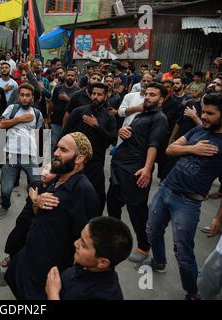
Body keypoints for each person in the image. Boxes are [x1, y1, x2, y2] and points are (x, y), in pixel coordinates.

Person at [145, 92, 222, 300]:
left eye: (210, 113)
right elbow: (170, 149)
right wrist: (194, 149)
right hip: (165, 190)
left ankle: (192, 292)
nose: (203, 116)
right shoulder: (199, 129)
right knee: (152, 231)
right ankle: (159, 262)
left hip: (188, 202)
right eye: (203, 111)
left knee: (183, 251)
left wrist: (218, 217)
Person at [5, 132, 99, 300]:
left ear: (79, 159)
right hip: (28, 257)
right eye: (57, 147)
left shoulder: (83, 191)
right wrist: (36, 203)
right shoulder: (56, 180)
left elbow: (84, 241)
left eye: (63, 150)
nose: (55, 152)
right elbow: (38, 214)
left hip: (45, 275)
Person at [107, 82, 169, 263]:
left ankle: (144, 246)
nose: (148, 97)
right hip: (119, 167)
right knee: (113, 205)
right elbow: (130, 134)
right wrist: (122, 131)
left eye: (153, 95)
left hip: (136, 171)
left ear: (161, 99)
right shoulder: (141, 114)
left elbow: (154, 144)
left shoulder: (159, 118)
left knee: (137, 211)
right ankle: (116, 238)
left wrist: (148, 169)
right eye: (147, 94)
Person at [61, 83, 117, 215]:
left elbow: (112, 139)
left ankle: (93, 224)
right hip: (75, 160)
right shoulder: (79, 112)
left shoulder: (109, 117)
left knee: (97, 196)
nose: (95, 97)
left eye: (99, 94)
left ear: (106, 96)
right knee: (70, 193)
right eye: (93, 94)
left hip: (96, 162)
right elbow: (65, 133)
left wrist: (96, 126)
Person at [45, 217, 133, 300]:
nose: (75, 243)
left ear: (102, 262)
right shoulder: (87, 264)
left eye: (83, 245)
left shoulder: (105, 295)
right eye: (80, 238)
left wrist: (53, 294)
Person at [0, 83, 43, 218]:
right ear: (18, 97)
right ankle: (5, 205)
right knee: (6, 188)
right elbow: (1, 125)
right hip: (11, 155)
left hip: (30, 157)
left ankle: (32, 207)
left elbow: (38, 134)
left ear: (32, 98)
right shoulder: (12, 109)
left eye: (27, 95)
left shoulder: (37, 113)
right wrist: (20, 119)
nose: (24, 98)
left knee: (36, 184)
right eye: (22, 95)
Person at [2, 163, 56, 266]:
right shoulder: (35, 184)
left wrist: (35, 200)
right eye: (44, 168)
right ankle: (12, 256)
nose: (45, 172)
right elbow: (28, 204)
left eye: (51, 171)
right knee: (16, 239)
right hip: (24, 219)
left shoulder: (51, 192)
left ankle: (19, 261)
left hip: (35, 223)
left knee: (28, 244)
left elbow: (39, 213)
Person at [50, 69, 80, 151]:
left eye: (72, 75)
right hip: (56, 121)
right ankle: (52, 162)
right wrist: (48, 117)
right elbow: (52, 103)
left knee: (67, 146)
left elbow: (78, 107)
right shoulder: (58, 88)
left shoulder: (78, 91)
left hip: (70, 123)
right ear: (65, 76)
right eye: (68, 75)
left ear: (75, 77)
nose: (70, 77)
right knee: (54, 143)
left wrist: (67, 99)